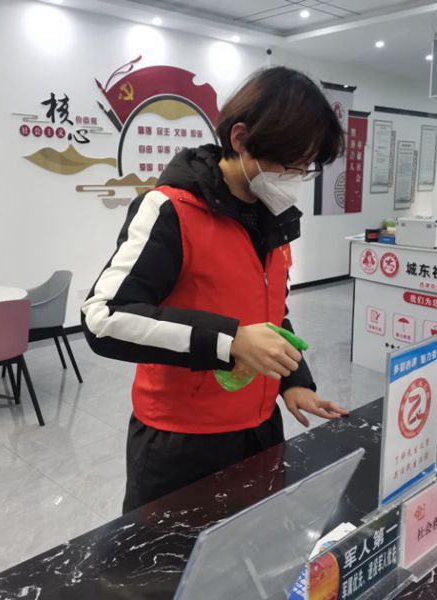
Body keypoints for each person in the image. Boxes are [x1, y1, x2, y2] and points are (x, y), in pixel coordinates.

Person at [81, 66, 349, 513]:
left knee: (253, 546)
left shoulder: (273, 218)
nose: (297, 176)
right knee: (170, 558)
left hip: (260, 427)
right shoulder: (169, 210)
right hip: (181, 442)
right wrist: (230, 340)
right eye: (291, 164)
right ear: (241, 139)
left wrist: (293, 381)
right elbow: (103, 318)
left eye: (307, 168)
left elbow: (271, 313)